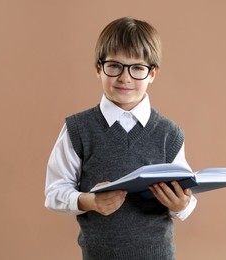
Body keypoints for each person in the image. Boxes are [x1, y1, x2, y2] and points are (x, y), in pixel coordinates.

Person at [45, 17, 197, 260]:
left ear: (152, 73)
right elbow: (54, 192)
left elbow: (186, 198)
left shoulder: (170, 134)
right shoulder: (78, 129)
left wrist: (182, 206)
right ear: (98, 68)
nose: (125, 78)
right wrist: (89, 201)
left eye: (137, 68)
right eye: (114, 66)